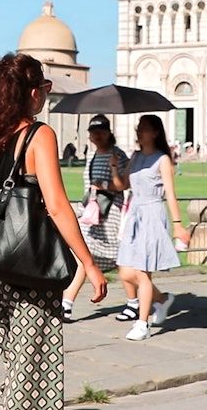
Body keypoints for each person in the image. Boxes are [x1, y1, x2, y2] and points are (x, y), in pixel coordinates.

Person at [0, 53, 107, 408]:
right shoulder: (39, 135)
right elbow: (57, 206)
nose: (46, 94)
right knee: (32, 373)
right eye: (44, 87)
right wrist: (88, 264)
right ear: (29, 93)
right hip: (31, 268)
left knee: (19, 367)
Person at [110, 114, 191, 341]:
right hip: (134, 213)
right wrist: (116, 168)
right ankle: (163, 300)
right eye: (139, 128)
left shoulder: (162, 160)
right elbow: (122, 185)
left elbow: (170, 194)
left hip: (153, 214)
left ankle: (142, 323)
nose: (139, 132)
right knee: (126, 272)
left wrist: (178, 225)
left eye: (144, 128)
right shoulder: (135, 157)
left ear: (155, 133)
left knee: (142, 272)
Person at [61, 114, 129, 323]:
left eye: (101, 132)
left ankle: (146, 299)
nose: (97, 136)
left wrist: (107, 182)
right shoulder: (91, 155)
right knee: (84, 256)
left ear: (109, 133)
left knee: (123, 262)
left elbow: (123, 185)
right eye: (93, 133)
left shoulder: (118, 155)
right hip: (91, 213)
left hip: (110, 215)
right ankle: (66, 304)